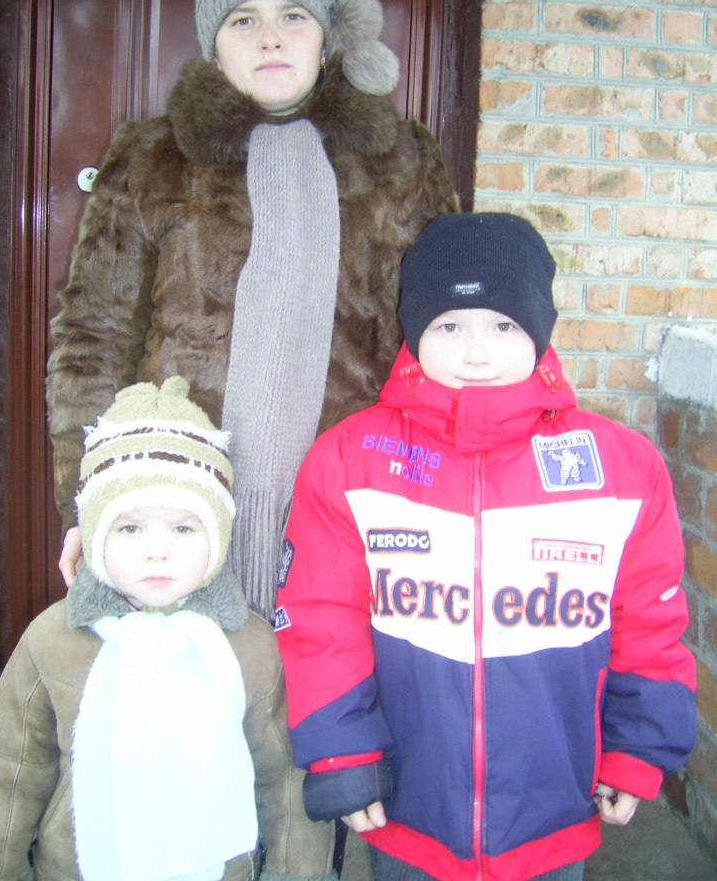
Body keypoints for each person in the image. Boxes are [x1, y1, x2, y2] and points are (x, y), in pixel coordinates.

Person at [46, 0, 458, 621]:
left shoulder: (402, 161)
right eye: (244, 20)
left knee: (327, 684)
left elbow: (443, 339)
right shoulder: (152, 158)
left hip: (356, 509)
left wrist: (444, 495)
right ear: (215, 44)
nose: (270, 38)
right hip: (176, 514)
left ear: (328, 38)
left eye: (293, 16)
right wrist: (89, 500)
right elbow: (93, 338)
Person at [273, 213, 698, 881]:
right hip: (408, 816)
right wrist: (343, 753)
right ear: (414, 331)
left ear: (539, 329)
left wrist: (638, 749)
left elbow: (650, 622)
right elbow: (320, 619)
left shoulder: (622, 469)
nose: (477, 354)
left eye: (503, 326)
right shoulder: (349, 460)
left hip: (553, 815)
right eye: (450, 327)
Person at [0, 377, 336, 881]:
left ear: (217, 536)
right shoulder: (54, 640)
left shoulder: (251, 647)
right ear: (94, 534)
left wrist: (295, 871)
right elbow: (8, 771)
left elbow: (284, 780)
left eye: (183, 528)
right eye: (130, 527)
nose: (157, 551)